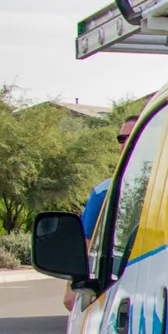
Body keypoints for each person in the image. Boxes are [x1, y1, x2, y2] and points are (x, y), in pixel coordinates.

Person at [63, 115, 135, 311]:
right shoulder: (104, 193)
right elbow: (85, 246)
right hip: (113, 292)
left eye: (134, 136)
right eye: (122, 138)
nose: (126, 143)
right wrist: (72, 286)